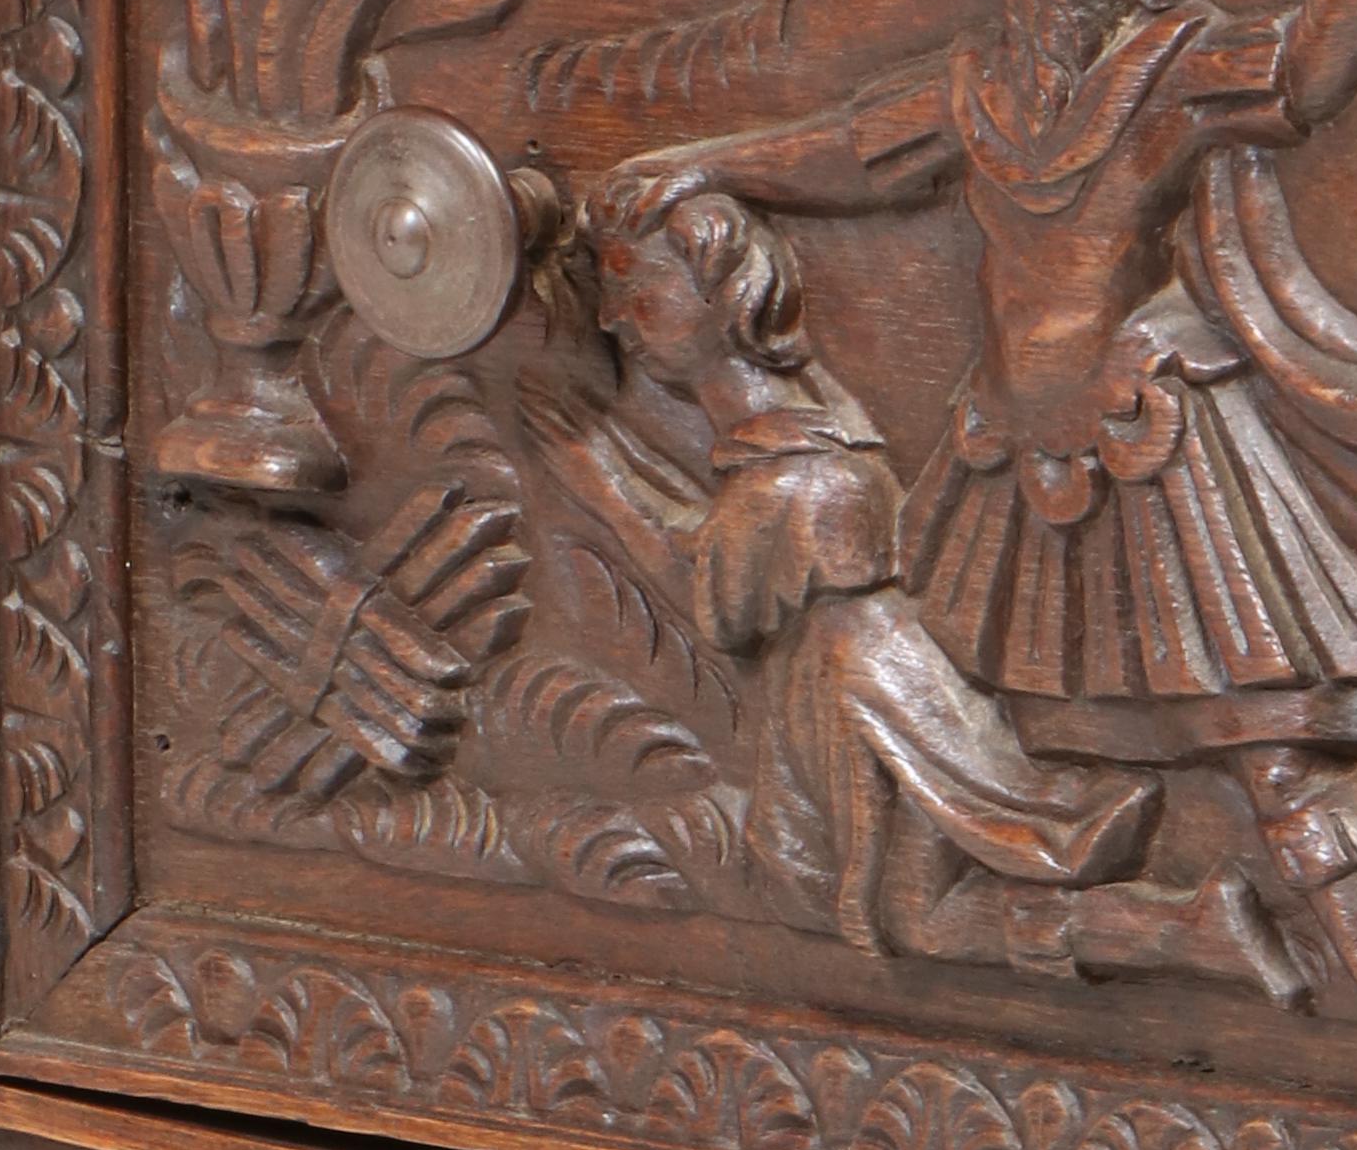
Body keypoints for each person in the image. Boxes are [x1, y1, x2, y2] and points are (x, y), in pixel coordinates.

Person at [652, 0, 1357, 1040]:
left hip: (1149, 438)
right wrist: (696, 164)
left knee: (1262, 723)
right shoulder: (980, 88)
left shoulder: (1164, 73)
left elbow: (1303, 68)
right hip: (1011, 452)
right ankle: (1135, 926)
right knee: (975, 714)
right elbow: (851, 155)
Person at [527, 141, 1296, 994]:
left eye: (641, 291)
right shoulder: (790, 422)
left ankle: (1178, 930)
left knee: (909, 915)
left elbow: (711, 589)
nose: (616, 318)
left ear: (722, 294)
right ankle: (1183, 928)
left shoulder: (798, 467)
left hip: (865, 691)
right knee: (883, 907)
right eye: (613, 293)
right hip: (840, 687)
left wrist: (599, 479)